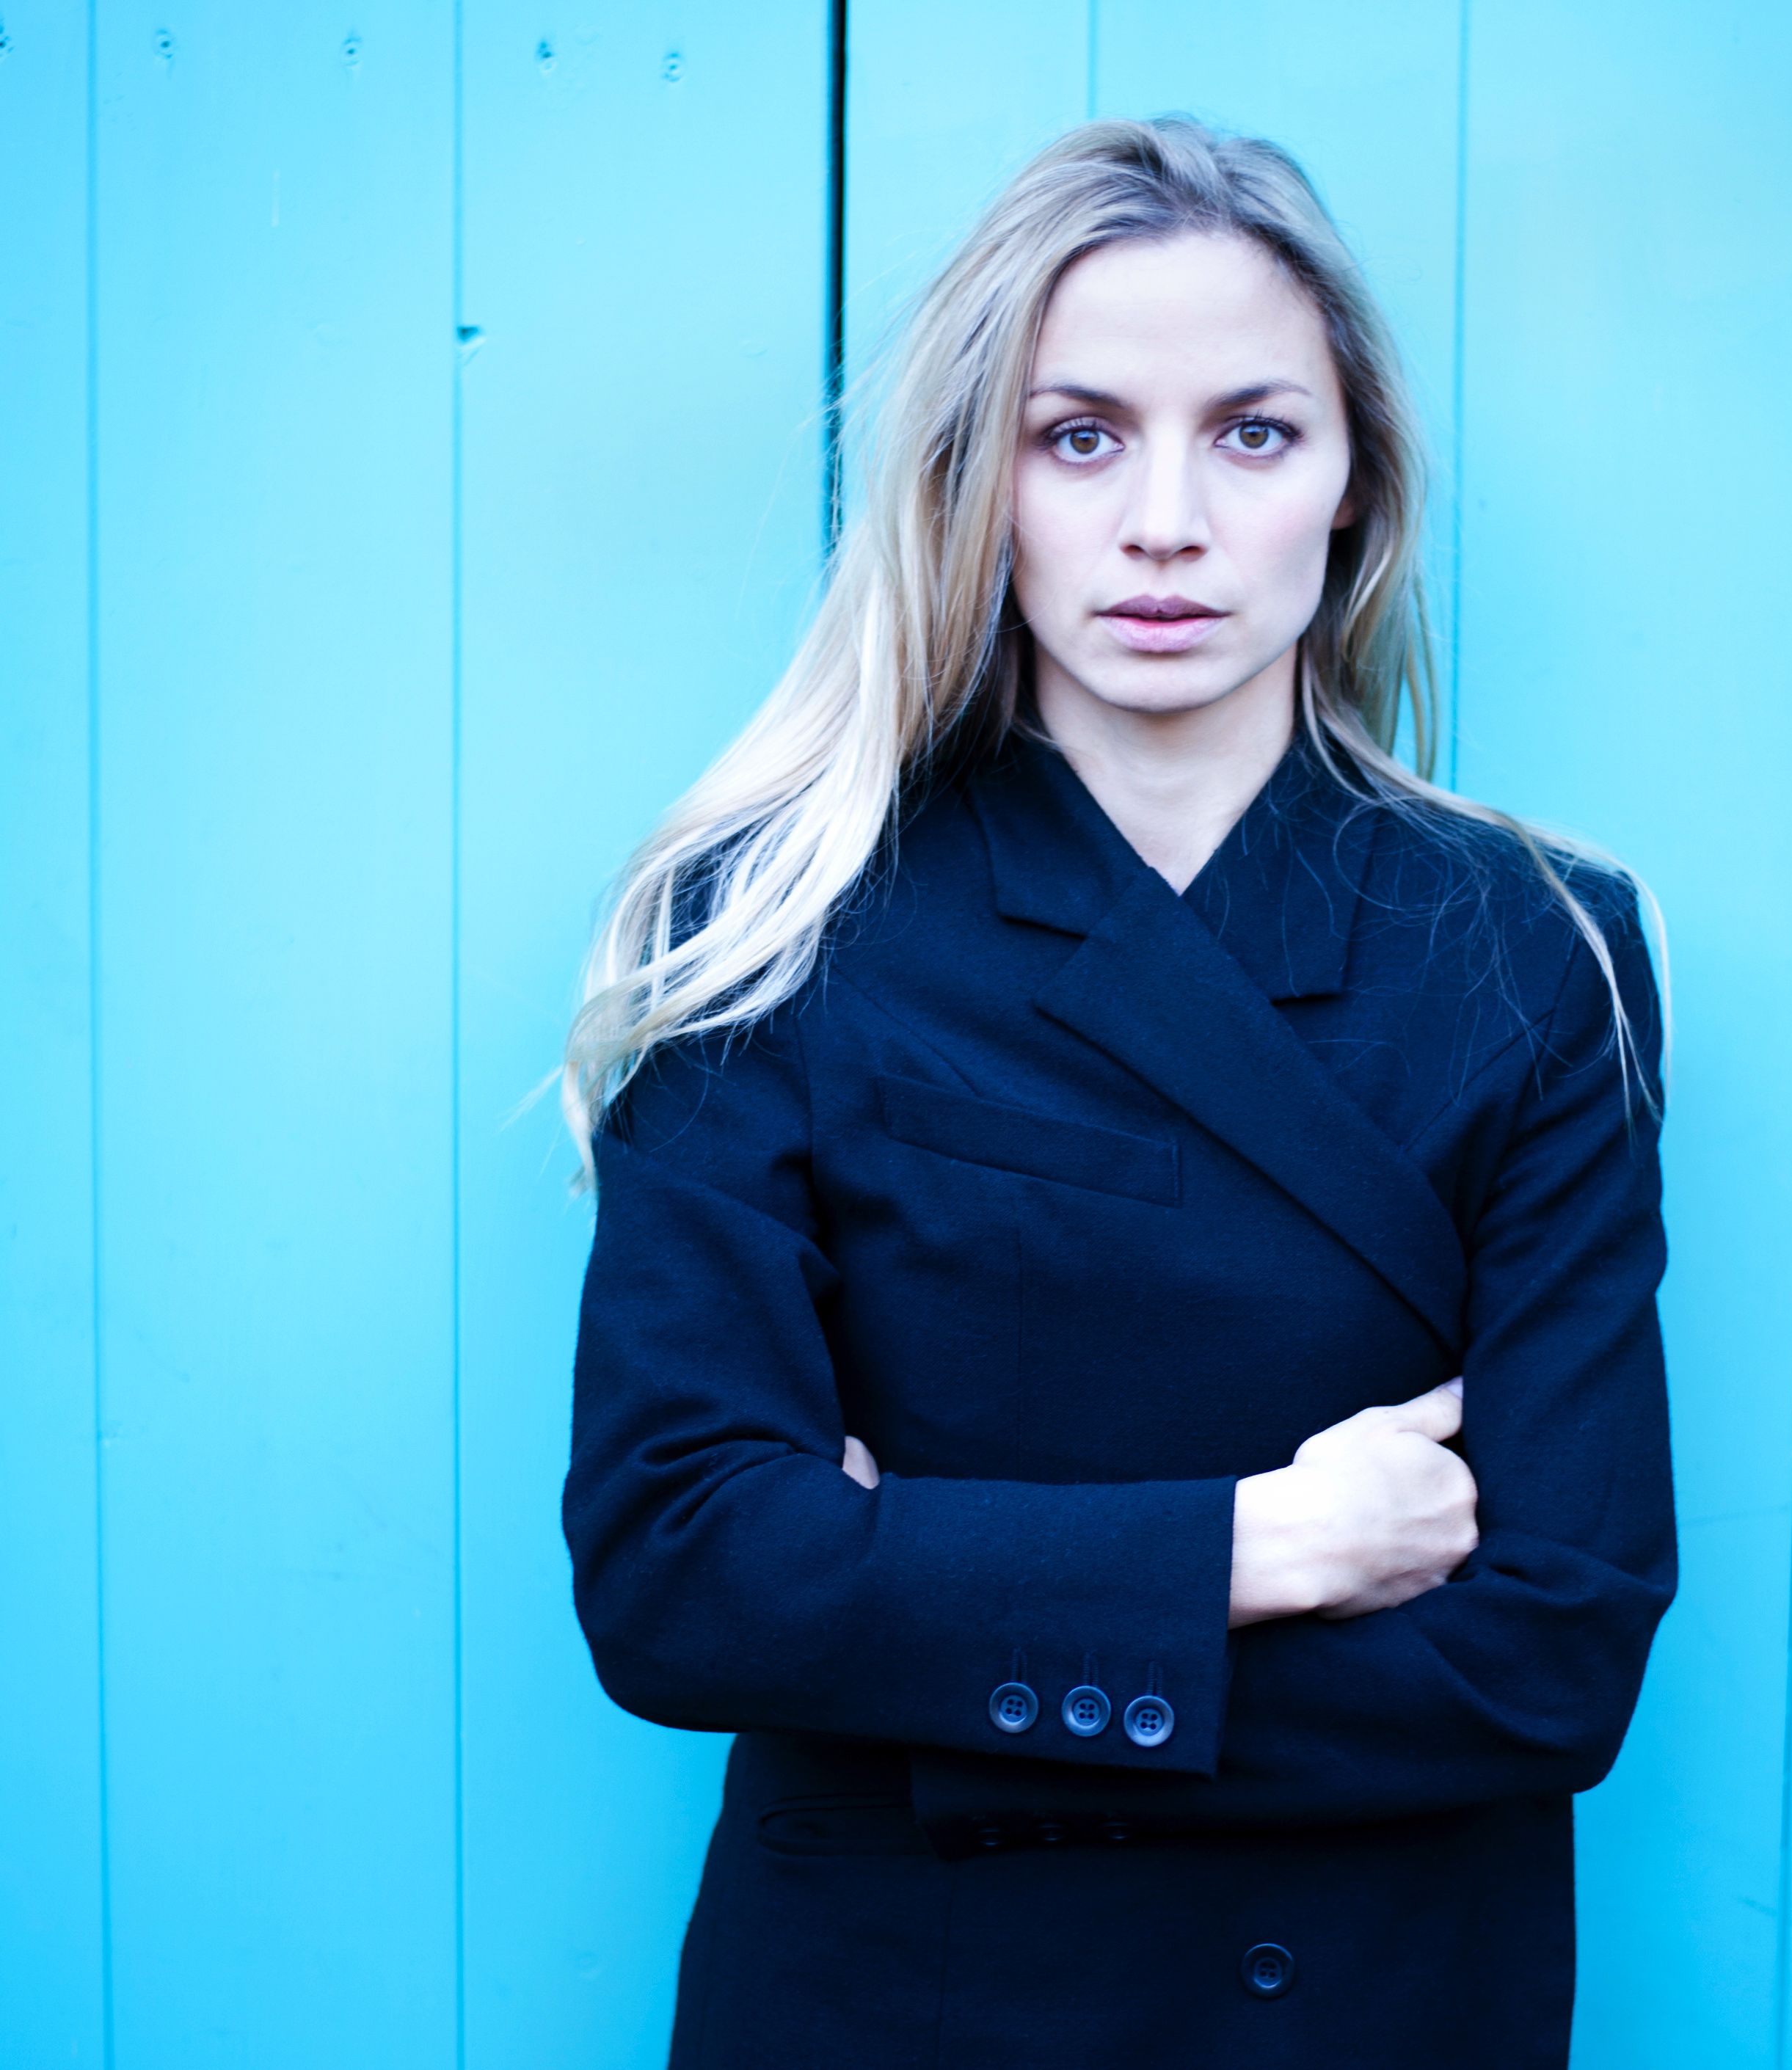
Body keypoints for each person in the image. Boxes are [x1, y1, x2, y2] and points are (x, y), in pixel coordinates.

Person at [559, 117, 1674, 2069]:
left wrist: (929, 1671)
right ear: (977, 479)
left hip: (1370, 2003)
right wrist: (1262, 1549)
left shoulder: (1534, 950)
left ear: (1352, 479)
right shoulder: (769, 926)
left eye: (1253, 432)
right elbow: (681, 1573)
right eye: (1079, 437)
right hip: (895, 2013)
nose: (1168, 521)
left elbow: (1551, 1656)